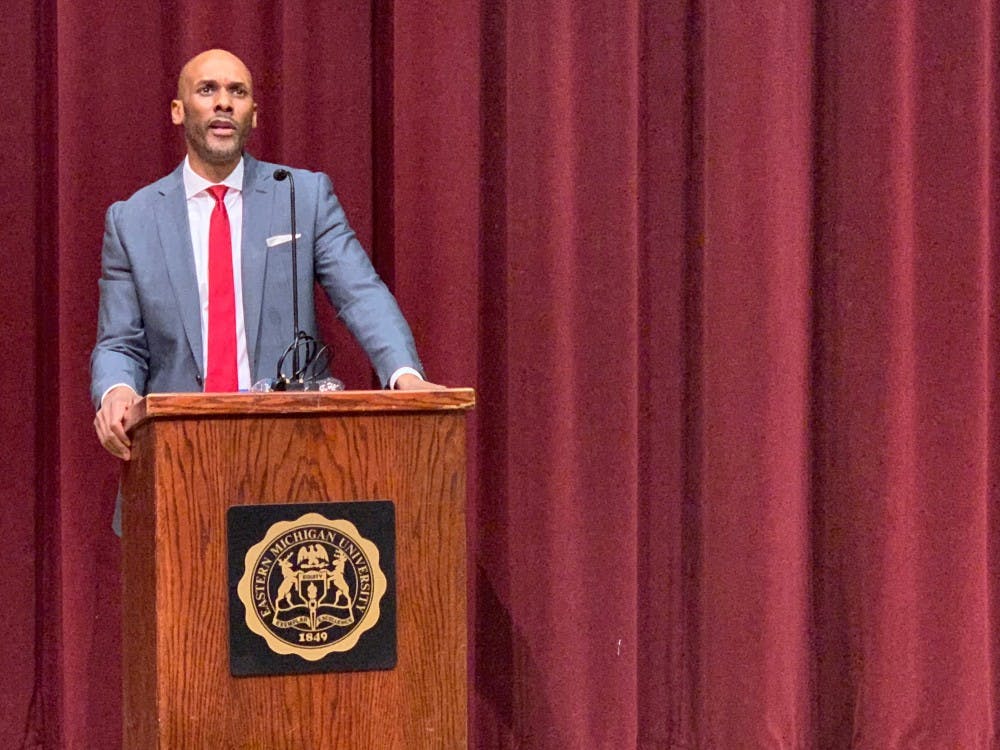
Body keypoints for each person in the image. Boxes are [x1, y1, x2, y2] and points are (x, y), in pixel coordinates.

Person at [92, 49, 440, 462]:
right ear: (178, 111)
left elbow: (360, 293)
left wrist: (404, 374)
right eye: (207, 90)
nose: (224, 102)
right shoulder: (132, 219)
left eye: (237, 92)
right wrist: (116, 392)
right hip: (177, 453)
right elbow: (120, 342)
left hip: (292, 450)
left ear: (253, 114)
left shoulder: (301, 196)